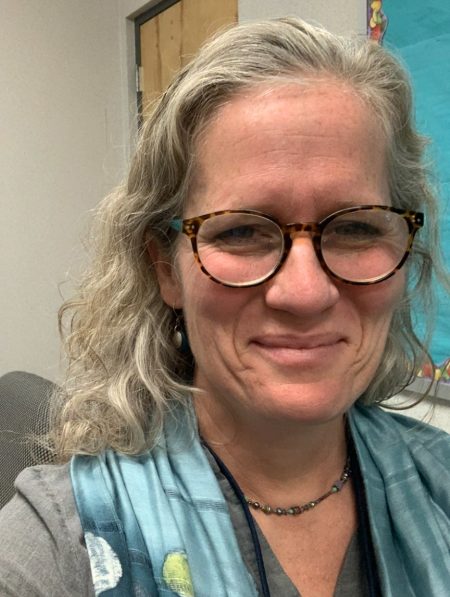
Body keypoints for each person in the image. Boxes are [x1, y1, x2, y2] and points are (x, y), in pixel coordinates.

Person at [0, 17, 449, 597]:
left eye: (357, 228)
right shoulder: (61, 546)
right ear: (166, 269)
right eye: (240, 232)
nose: (305, 293)